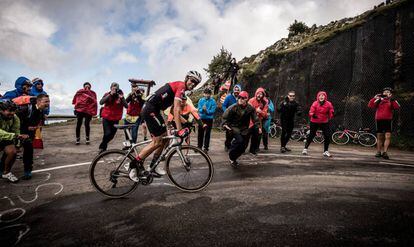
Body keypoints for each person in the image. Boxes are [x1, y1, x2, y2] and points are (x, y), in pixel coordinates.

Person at [128, 71, 202, 181]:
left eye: (196, 83)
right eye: (192, 80)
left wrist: (186, 123)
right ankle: (133, 166)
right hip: (150, 109)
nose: (193, 84)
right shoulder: (181, 86)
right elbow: (176, 109)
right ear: (187, 78)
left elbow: (172, 109)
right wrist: (180, 130)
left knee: (165, 139)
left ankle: (153, 165)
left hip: (154, 110)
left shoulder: (180, 91)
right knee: (157, 141)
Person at [15, 94, 50, 179]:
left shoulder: (41, 110)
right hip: (18, 132)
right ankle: (3, 170)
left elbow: (36, 121)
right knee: (12, 151)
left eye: (49, 101)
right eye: (46, 101)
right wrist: (26, 129)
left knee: (28, 150)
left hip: (29, 133)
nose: (48, 104)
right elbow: (16, 120)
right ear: (38, 101)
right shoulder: (26, 108)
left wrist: (36, 127)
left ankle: (28, 171)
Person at [222, 91, 260, 167]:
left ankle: (234, 158)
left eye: (243, 98)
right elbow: (224, 117)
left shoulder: (250, 108)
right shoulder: (233, 107)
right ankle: (231, 156)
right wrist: (225, 125)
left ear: (246, 99)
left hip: (244, 129)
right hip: (234, 127)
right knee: (239, 141)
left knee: (243, 147)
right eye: (239, 97)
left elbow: (255, 119)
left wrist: (258, 127)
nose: (240, 99)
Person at [0, 100, 29, 183]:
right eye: (10, 111)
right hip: (4, 136)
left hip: (6, 138)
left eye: (14, 111)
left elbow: (16, 131)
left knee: (13, 151)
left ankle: (7, 172)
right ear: (1, 110)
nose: (12, 113)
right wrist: (14, 135)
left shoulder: (15, 117)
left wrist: (18, 144)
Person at [368, 87, 400, 159]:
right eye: (385, 92)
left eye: (388, 92)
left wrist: (392, 99)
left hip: (388, 120)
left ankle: (385, 152)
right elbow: (370, 105)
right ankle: (378, 152)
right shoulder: (379, 99)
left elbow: (397, 107)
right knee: (380, 136)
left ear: (390, 94)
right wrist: (375, 98)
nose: (386, 93)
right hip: (379, 119)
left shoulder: (391, 100)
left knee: (388, 136)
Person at [302, 91, 334, 157]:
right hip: (314, 121)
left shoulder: (328, 104)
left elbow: (331, 111)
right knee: (311, 135)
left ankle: (326, 151)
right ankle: (305, 149)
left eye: (323, 95)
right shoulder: (315, 103)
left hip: (324, 122)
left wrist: (331, 114)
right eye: (320, 95)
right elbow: (311, 111)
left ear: (325, 97)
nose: (321, 97)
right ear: (318, 97)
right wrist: (312, 115)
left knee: (327, 136)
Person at [98, 83, 127, 153]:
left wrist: (122, 98)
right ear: (110, 88)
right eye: (113, 88)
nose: (115, 89)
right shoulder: (107, 94)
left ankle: (103, 145)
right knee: (107, 133)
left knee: (111, 136)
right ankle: (102, 148)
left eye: (116, 88)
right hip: (106, 118)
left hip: (116, 119)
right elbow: (101, 102)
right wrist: (110, 94)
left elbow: (126, 106)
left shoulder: (120, 95)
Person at [248, 87, 268, 154]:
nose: (259, 95)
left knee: (258, 135)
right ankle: (243, 148)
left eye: (261, 94)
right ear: (256, 94)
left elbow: (265, 114)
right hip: (250, 121)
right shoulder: (251, 100)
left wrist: (260, 112)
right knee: (246, 135)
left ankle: (254, 149)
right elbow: (247, 111)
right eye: (258, 93)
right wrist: (255, 110)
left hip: (258, 121)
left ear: (263, 95)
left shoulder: (265, 102)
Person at [222, 84, 242, 151]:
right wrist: (227, 112)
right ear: (233, 90)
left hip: (237, 118)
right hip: (229, 118)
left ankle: (234, 146)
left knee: (237, 133)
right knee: (229, 133)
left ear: (240, 91)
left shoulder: (240, 98)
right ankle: (227, 145)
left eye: (238, 90)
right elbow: (224, 106)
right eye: (235, 90)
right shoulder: (229, 97)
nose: (236, 91)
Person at [197, 88, 217, 152]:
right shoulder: (201, 100)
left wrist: (206, 111)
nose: (207, 95)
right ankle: (199, 147)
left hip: (209, 119)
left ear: (210, 94)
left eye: (208, 94)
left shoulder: (213, 101)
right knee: (200, 133)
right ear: (203, 94)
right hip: (202, 119)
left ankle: (206, 148)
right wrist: (202, 110)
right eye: (206, 93)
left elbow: (213, 111)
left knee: (207, 133)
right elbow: (199, 109)